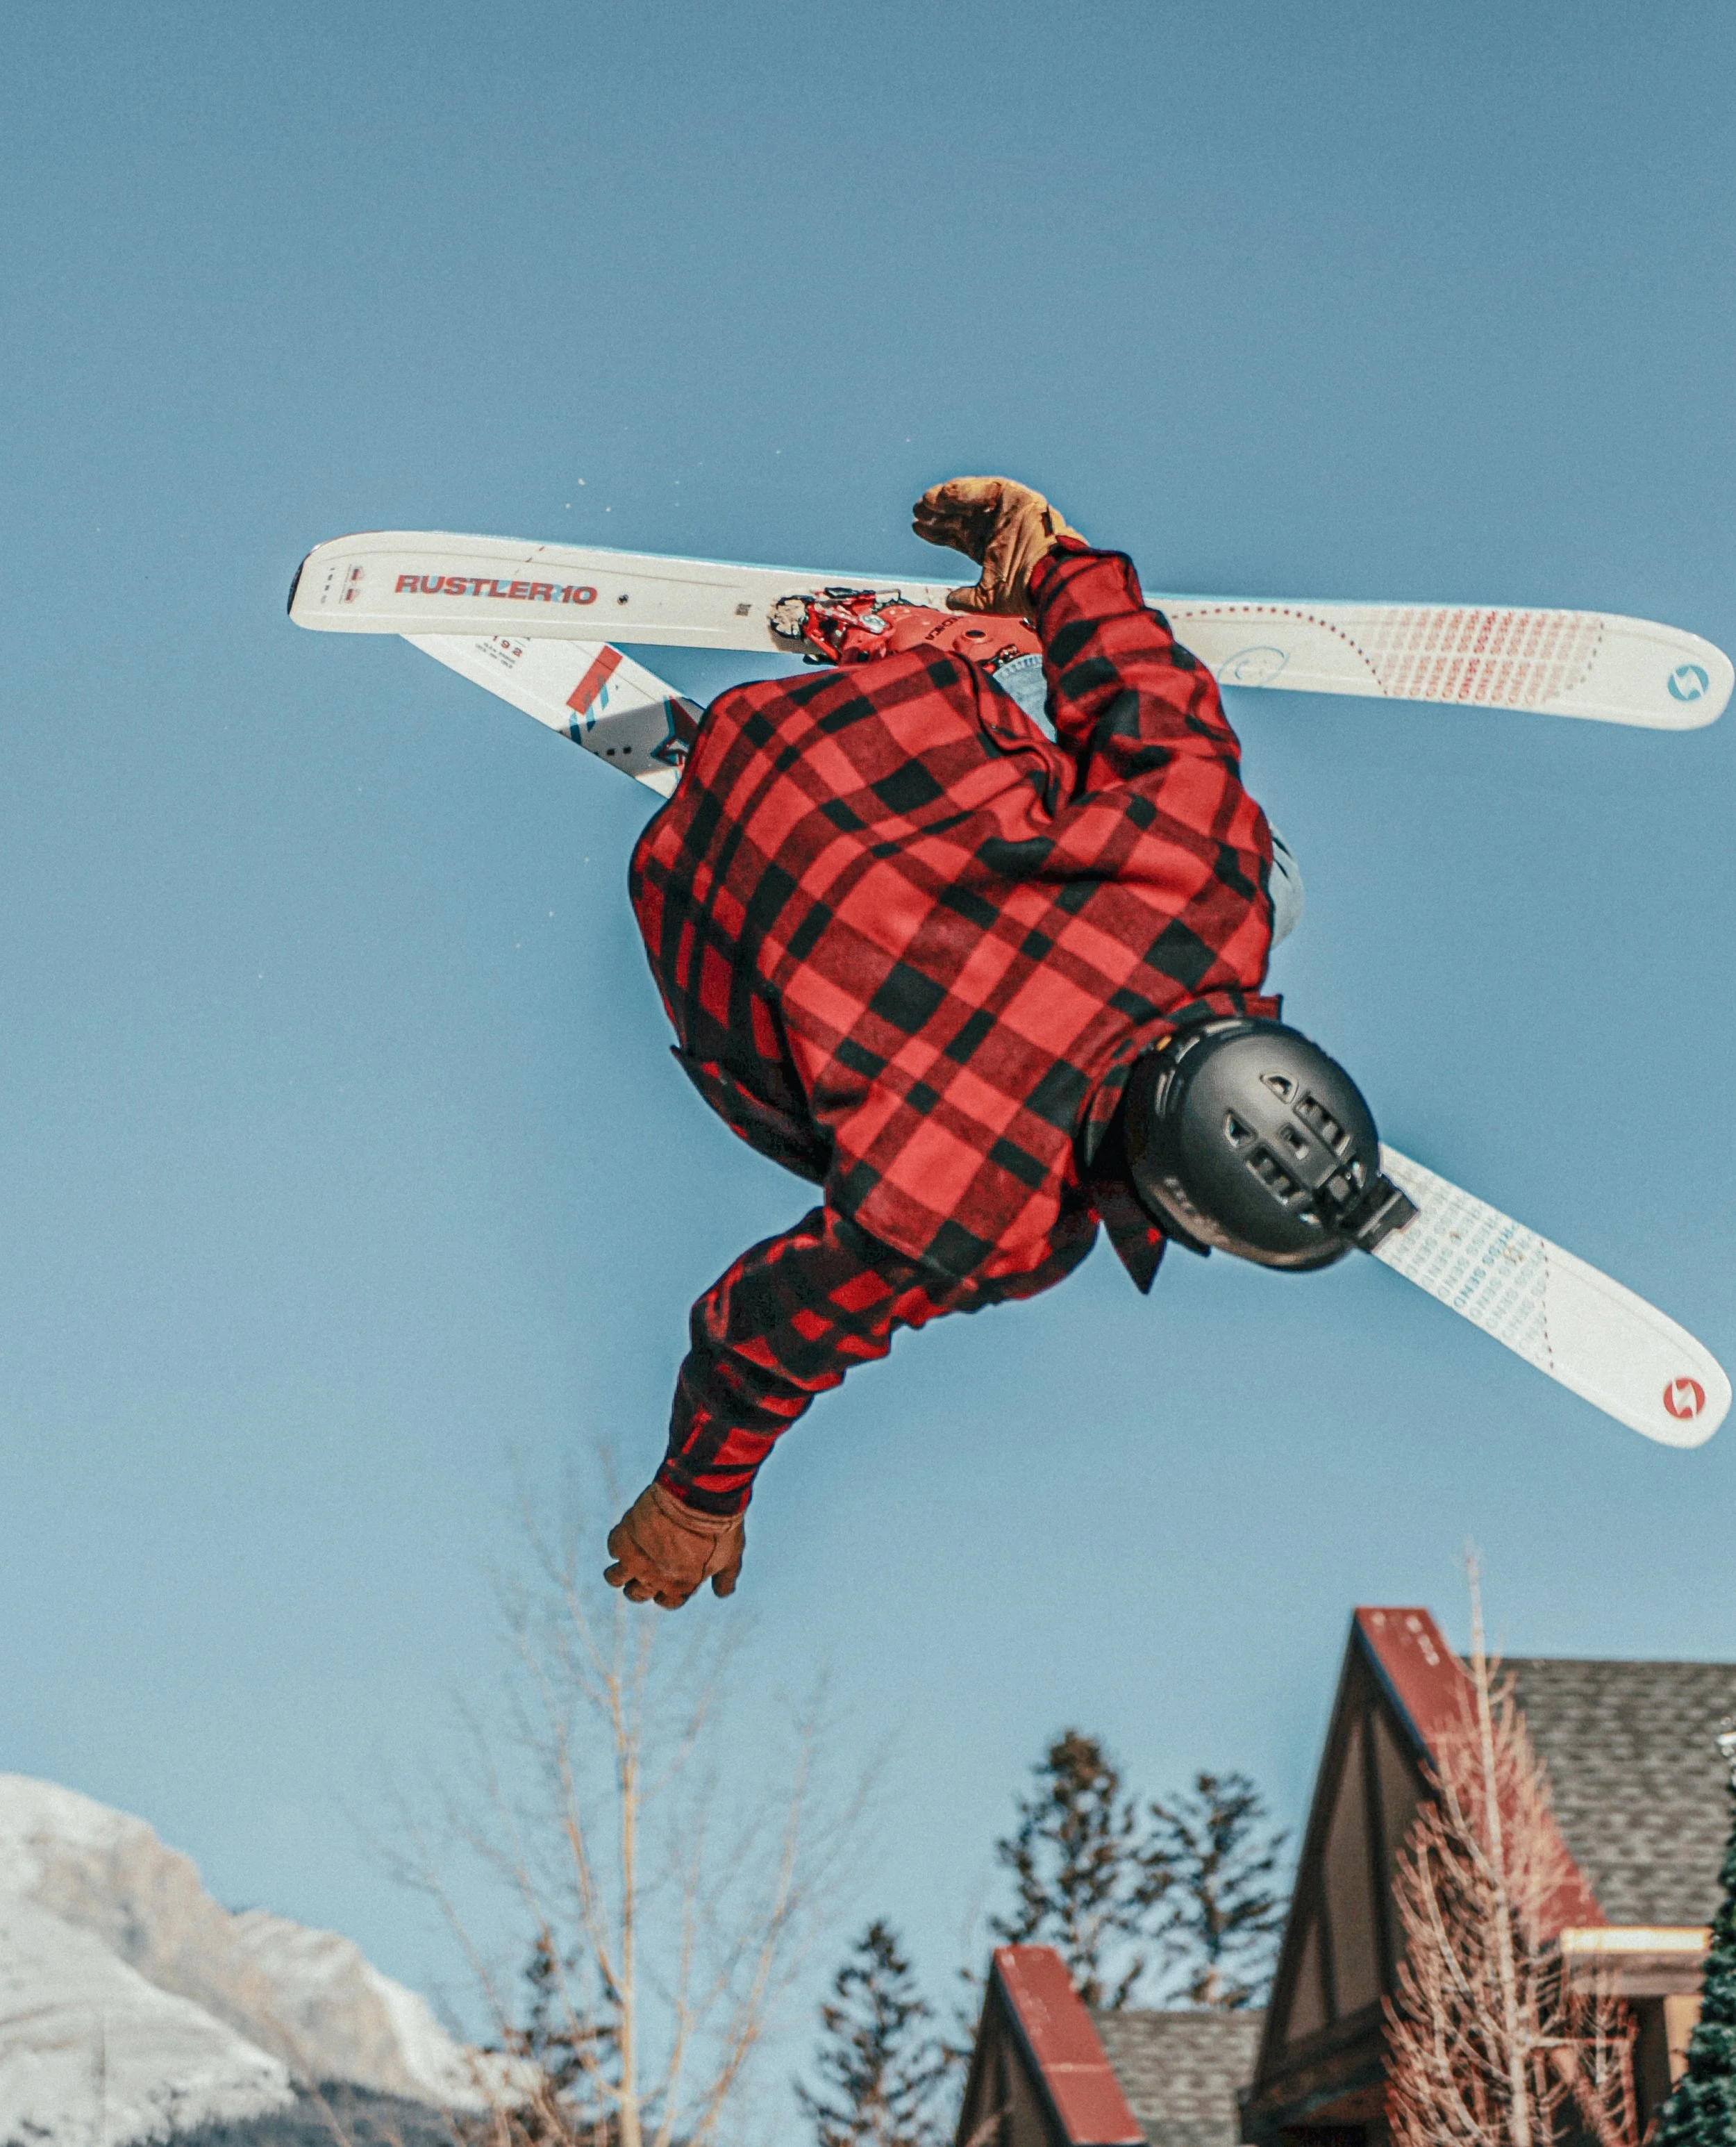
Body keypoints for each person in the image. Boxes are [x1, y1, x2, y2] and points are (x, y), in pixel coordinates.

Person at [604, 479, 1412, 1609]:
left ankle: (978, 657)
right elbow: (761, 1334)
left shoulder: (1208, 880)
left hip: (842, 722)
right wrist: (697, 1497)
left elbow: (1143, 672)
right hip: (696, 908)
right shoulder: (991, 1227)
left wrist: (1043, 556)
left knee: (1277, 880)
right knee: (859, 1163)